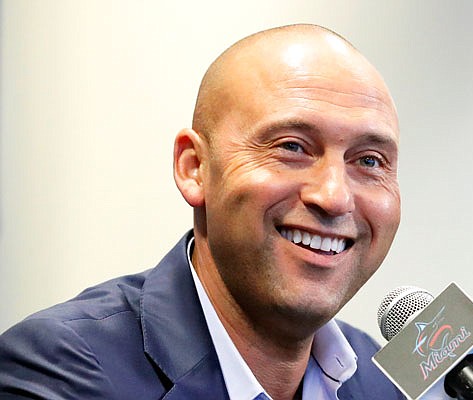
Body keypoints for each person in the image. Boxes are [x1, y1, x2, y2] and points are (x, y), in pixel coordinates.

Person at [0, 24, 403, 399]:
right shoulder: (64, 369)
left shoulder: (383, 383)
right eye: (292, 147)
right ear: (194, 167)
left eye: (368, 161)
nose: (334, 196)